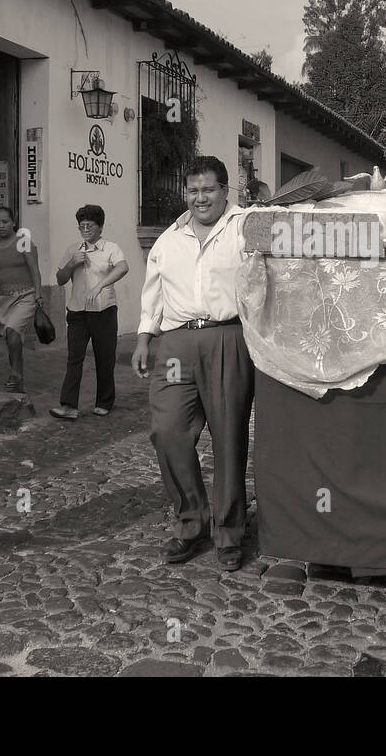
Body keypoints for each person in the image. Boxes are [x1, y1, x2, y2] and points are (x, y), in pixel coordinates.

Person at [132, 156, 254, 572]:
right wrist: (145, 338)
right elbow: (153, 292)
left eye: (209, 189)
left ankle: (230, 532)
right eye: (193, 190)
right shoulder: (169, 238)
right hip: (176, 342)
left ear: (225, 191)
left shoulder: (244, 227)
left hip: (228, 337)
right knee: (167, 432)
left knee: (228, 437)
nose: (200, 198)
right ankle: (191, 522)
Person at [49, 204, 128, 420]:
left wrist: (100, 285)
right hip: (78, 311)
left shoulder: (111, 248)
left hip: (103, 310)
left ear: (100, 227)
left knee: (105, 358)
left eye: (89, 225)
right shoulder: (72, 249)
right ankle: (69, 406)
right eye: (81, 225)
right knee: (74, 358)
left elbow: (122, 267)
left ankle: (104, 402)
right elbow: (60, 279)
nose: (85, 229)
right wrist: (71, 264)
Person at [0, 206, 42, 394]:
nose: (1, 226)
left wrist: (38, 294)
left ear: (13, 222)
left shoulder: (23, 241)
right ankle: (18, 378)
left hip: (25, 296)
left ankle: (16, 376)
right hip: (2, 300)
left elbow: (34, 270)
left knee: (13, 332)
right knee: (10, 339)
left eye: (5, 222)